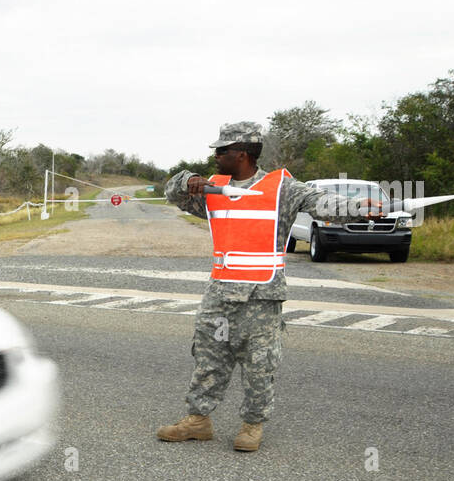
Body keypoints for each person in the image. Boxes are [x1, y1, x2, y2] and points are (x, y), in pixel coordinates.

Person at [156, 122, 383, 452]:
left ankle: (253, 424)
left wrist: (358, 207)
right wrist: (185, 179)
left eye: (222, 151)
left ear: (243, 155)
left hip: (262, 296)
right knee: (208, 358)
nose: (215, 156)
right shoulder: (213, 189)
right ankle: (198, 421)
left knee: (260, 365)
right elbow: (172, 193)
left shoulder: (282, 188)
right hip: (220, 294)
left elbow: (321, 201)